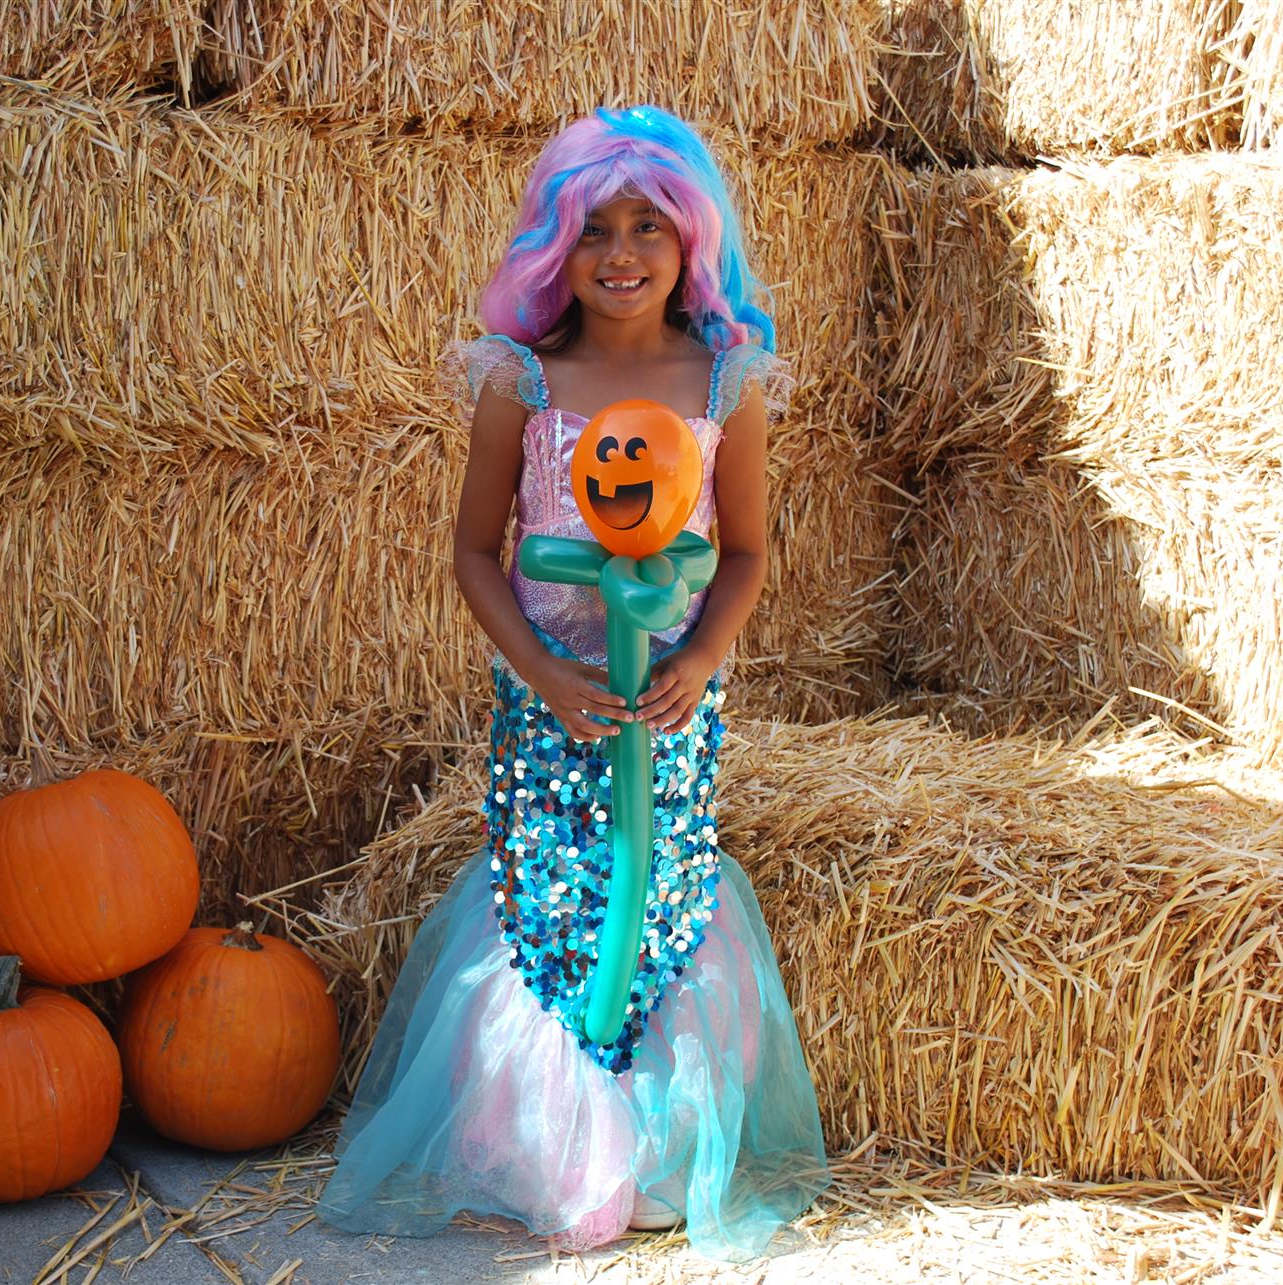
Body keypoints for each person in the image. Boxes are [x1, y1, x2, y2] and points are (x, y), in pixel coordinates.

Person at [319, 105, 829, 1261]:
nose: (621, 252)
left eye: (649, 226)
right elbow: (474, 552)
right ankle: (555, 1143)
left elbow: (745, 552)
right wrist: (543, 674)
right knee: (553, 904)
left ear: (691, 240)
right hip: (551, 712)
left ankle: (656, 1140)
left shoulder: (724, 383)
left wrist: (699, 660)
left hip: (669, 709)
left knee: (660, 896)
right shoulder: (526, 380)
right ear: (557, 241)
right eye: (594, 227)